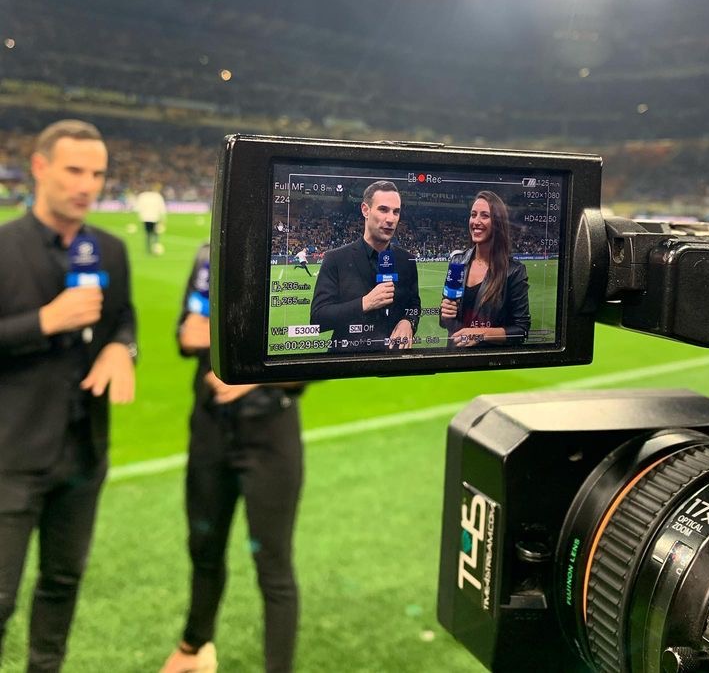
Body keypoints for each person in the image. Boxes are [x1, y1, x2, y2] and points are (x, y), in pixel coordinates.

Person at [0, 119, 136, 672]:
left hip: (84, 453)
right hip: (11, 456)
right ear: (40, 167)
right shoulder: (4, 248)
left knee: (62, 584)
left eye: (97, 174)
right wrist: (44, 321)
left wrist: (122, 349)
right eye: (75, 170)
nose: (88, 185)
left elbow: (123, 318)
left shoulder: (110, 250)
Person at [160, 244, 304, 673]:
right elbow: (188, 334)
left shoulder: (286, 261)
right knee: (203, 546)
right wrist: (259, 344)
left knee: (273, 564)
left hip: (270, 437)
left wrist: (247, 373)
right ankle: (194, 648)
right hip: (210, 431)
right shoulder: (209, 256)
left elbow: (309, 356)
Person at [310, 180, 421, 352]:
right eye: (383, 209)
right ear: (365, 210)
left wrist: (409, 321)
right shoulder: (335, 259)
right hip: (348, 362)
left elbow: (414, 305)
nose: (391, 219)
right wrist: (365, 303)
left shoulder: (407, 260)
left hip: (395, 361)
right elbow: (318, 318)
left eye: (396, 212)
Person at [440, 190, 530, 348]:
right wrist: (445, 314)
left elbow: (521, 330)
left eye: (484, 216)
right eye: (473, 215)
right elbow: (445, 321)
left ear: (497, 223)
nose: (476, 221)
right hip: (455, 356)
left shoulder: (514, 271)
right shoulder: (457, 262)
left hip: (489, 359)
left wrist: (480, 334)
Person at [135, 186, 167, 254]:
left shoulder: (142, 196)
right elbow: (162, 207)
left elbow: (138, 207)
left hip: (145, 218)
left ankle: (148, 249)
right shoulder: (157, 196)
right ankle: (155, 248)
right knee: (155, 234)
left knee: (148, 234)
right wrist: (163, 218)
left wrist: (140, 216)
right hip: (155, 218)